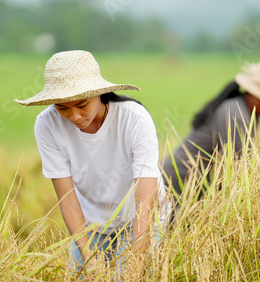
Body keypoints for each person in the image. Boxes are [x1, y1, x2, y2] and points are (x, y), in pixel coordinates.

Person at [14, 50, 170, 274]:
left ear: (99, 94)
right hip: (92, 222)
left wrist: (137, 257)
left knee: (128, 275)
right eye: (62, 108)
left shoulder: (134, 119)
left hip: (141, 216)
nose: (74, 116)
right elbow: (67, 200)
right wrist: (89, 259)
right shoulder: (47, 125)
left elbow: (146, 202)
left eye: (82, 105)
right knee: (83, 273)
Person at [162, 57, 260, 201]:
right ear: (256, 94)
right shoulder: (236, 115)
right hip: (173, 190)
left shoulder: (242, 110)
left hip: (187, 189)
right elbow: (235, 172)